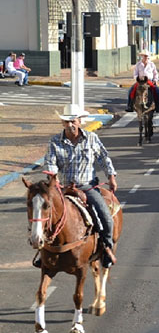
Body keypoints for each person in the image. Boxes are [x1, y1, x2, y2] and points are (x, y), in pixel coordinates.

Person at [41, 104, 118, 268]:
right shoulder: (55, 141)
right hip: (63, 189)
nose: (70, 125)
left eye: (73, 121)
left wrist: (111, 177)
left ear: (79, 121)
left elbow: (103, 158)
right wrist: (53, 178)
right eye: (67, 122)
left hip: (87, 187)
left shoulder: (91, 138)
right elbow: (50, 163)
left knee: (105, 217)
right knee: (44, 215)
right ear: (63, 123)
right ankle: (43, 250)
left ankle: (106, 250)